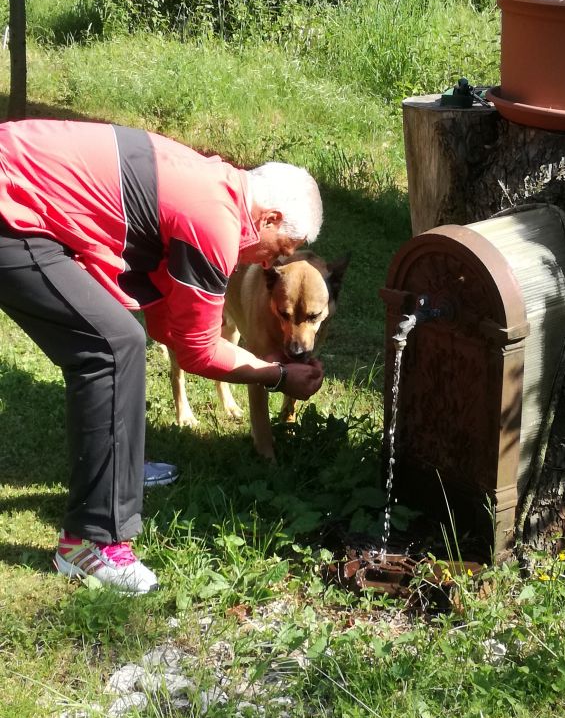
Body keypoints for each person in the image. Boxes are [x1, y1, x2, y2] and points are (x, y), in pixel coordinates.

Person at [0, 118, 325, 594]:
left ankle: (118, 470)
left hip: (18, 182)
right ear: (269, 218)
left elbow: (165, 322)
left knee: (120, 340)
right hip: (12, 203)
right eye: (281, 248)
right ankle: (90, 545)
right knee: (112, 348)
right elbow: (196, 351)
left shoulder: (211, 182)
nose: (267, 261)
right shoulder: (213, 220)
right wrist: (278, 376)